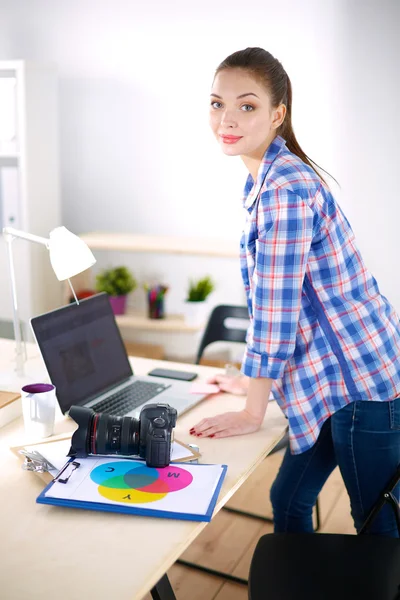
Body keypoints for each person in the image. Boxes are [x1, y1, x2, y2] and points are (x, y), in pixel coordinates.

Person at [190, 47, 400, 537]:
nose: (227, 119)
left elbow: (276, 312)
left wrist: (251, 409)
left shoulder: (284, 189)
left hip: (360, 383)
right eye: (217, 103)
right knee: (288, 499)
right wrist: (249, 382)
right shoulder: (267, 179)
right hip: (330, 376)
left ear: (277, 113)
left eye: (247, 105)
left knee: (376, 526)